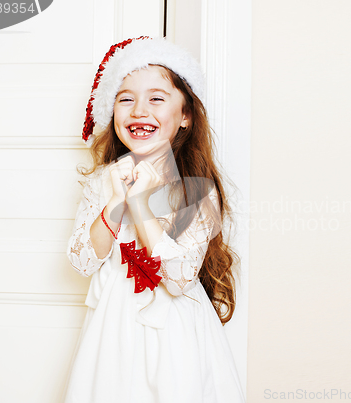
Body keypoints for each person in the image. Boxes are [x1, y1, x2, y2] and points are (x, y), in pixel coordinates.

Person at [62, 36, 245, 403]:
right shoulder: (103, 183)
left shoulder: (197, 190)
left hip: (177, 334)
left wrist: (141, 203)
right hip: (112, 332)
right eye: (126, 98)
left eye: (156, 98)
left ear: (185, 116)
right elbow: (82, 261)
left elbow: (178, 280)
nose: (139, 110)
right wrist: (116, 200)